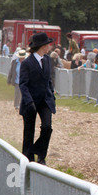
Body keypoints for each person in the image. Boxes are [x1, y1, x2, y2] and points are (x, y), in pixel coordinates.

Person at [19, 32, 56, 165]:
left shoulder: (47, 60)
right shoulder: (27, 63)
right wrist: (29, 101)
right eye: (47, 44)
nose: (49, 47)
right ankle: (28, 159)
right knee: (29, 132)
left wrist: (51, 94)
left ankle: (40, 154)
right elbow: (23, 84)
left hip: (45, 100)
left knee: (47, 127)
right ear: (42, 46)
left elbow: (48, 80)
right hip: (31, 101)